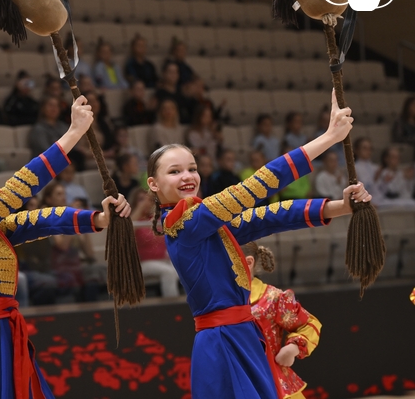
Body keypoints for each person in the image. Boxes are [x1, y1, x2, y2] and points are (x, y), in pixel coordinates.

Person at [145, 89, 370, 399]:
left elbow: (269, 216)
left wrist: (339, 207)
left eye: (192, 168)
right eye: (175, 171)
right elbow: (255, 186)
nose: (188, 176)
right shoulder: (184, 225)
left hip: (242, 336)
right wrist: (328, 138)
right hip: (223, 342)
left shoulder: (206, 223)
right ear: (153, 184)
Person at [0, 95, 131, 398]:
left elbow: (39, 220)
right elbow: (15, 191)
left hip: (4, 331)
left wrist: (99, 218)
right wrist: (73, 133)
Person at [242, 242, 322, 399]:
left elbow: (307, 324)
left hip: (272, 383)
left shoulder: (272, 298)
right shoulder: (216, 301)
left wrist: (293, 348)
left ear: (248, 262)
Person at [43, 182, 107, 302]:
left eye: (64, 194)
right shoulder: (46, 218)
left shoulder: (68, 216)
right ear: (49, 199)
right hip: (55, 268)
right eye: (58, 194)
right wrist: (72, 220)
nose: (63, 197)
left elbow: (89, 254)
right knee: (80, 277)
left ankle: (94, 311)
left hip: (75, 267)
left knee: (99, 272)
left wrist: (86, 222)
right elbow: (63, 246)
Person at [130, 188, 180, 297]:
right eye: (141, 199)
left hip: (164, 260)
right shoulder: (133, 221)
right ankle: (173, 307)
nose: (145, 203)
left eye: (148, 200)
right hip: (142, 264)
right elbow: (127, 232)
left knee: (185, 267)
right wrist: (140, 208)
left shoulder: (156, 219)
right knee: (169, 272)